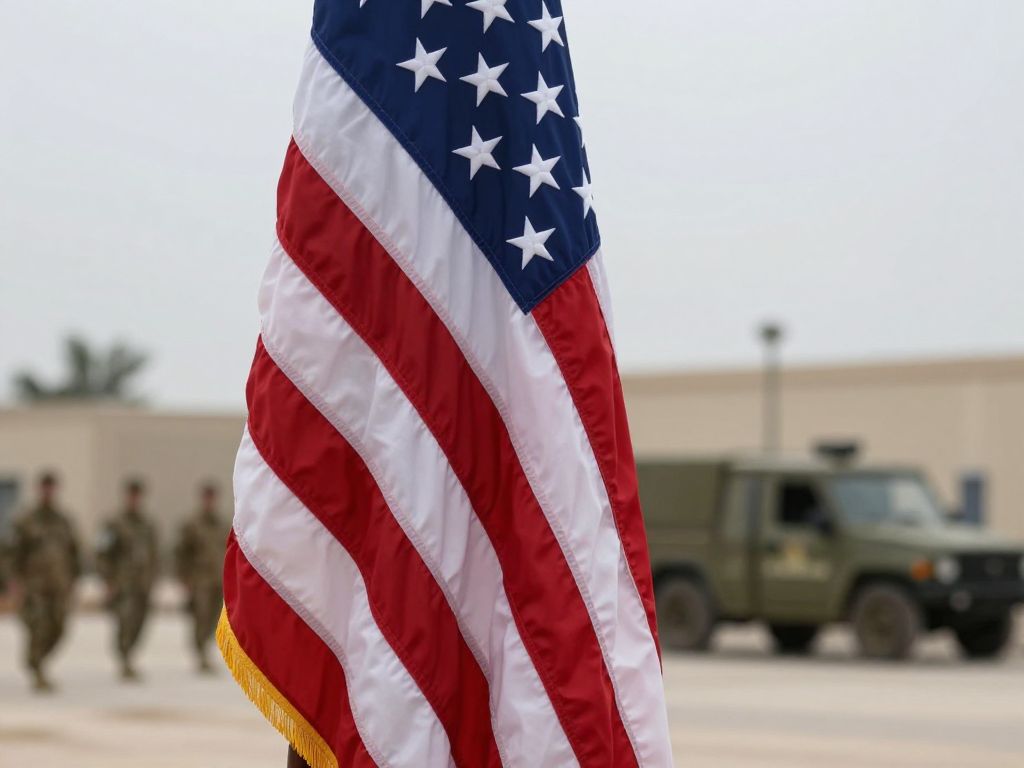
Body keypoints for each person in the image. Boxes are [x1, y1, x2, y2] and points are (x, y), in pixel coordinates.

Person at [10, 471, 81, 692]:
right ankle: (37, 669)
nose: (48, 491)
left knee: (59, 628)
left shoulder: (64, 521)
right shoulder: (26, 520)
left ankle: (36, 661)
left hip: (59, 586)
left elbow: (74, 554)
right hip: (35, 587)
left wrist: (74, 581)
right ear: (38, 489)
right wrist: (13, 582)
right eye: (45, 487)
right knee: (38, 628)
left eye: (52, 487)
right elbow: (12, 553)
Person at [96, 477, 159, 680]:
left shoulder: (148, 525)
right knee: (125, 621)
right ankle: (124, 659)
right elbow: (102, 553)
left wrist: (153, 578)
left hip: (143, 584)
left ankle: (129, 655)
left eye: (137, 495)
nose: (134, 499)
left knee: (140, 622)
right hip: (123, 585)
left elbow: (154, 554)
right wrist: (108, 580)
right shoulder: (114, 524)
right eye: (131, 495)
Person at [174, 481, 230, 673]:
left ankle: (204, 649)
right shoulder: (192, 524)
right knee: (201, 616)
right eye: (207, 497)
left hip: (217, 579)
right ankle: (200, 653)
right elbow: (181, 552)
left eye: (212, 497)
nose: (210, 501)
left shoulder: (222, 524)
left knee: (214, 618)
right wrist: (184, 578)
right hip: (199, 580)